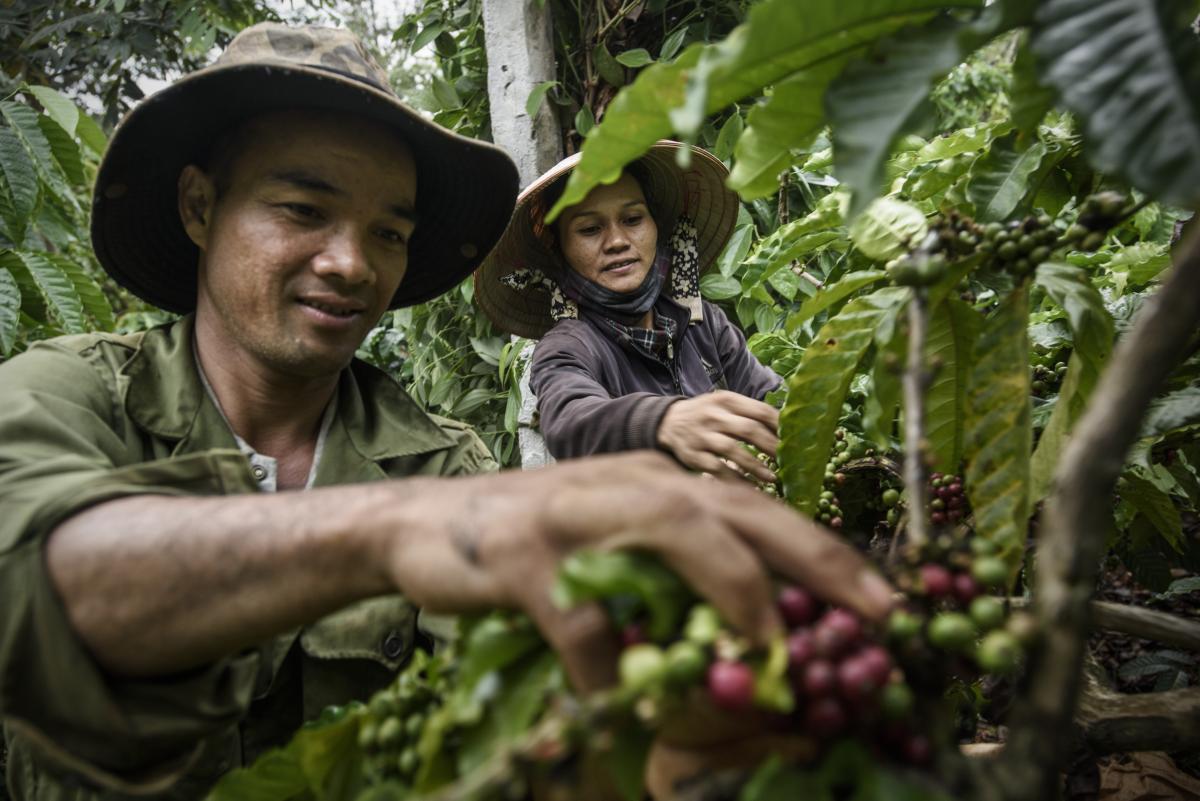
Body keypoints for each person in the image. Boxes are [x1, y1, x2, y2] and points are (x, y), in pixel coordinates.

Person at [0, 24, 892, 801]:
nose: (352, 263)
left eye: (390, 231)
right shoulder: (68, 396)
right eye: (303, 209)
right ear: (201, 205)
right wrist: (386, 531)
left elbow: (515, 721)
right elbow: (36, 576)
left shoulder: (442, 463)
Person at [474, 143, 783, 482]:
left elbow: (770, 401)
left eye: (633, 219)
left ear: (655, 227)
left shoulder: (703, 324)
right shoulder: (569, 347)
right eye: (590, 229)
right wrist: (661, 420)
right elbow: (570, 419)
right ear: (558, 246)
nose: (617, 241)